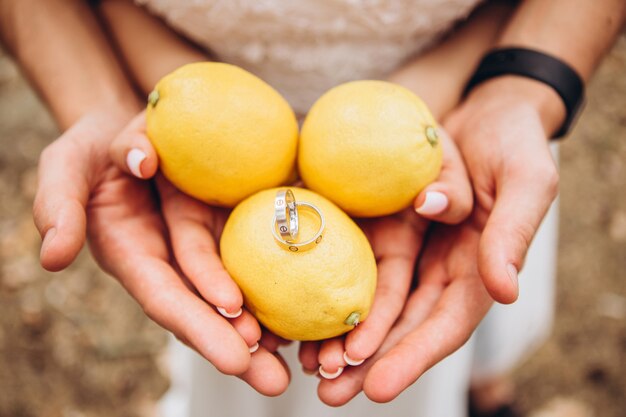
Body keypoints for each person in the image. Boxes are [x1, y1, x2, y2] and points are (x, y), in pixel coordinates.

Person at [0, 0, 624, 416]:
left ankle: (487, 383)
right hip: (193, 103)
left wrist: (518, 81)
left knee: (475, 267)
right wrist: (98, 97)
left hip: (448, 100)